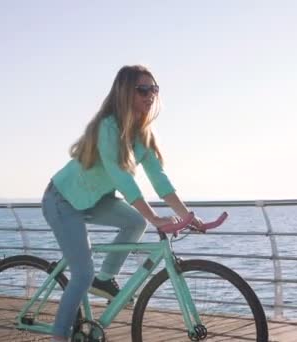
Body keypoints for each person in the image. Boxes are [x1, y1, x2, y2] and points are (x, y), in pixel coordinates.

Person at [41, 64, 203, 341]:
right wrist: (156, 218)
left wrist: (187, 215)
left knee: (135, 222)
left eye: (154, 89)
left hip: (95, 201)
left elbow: (159, 179)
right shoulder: (108, 127)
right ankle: (59, 336)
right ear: (126, 92)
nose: (150, 95)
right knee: (81, 273)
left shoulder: (142, 135)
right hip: (62, 200)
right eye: (143, 89)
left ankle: (104, 279)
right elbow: (121, 178)